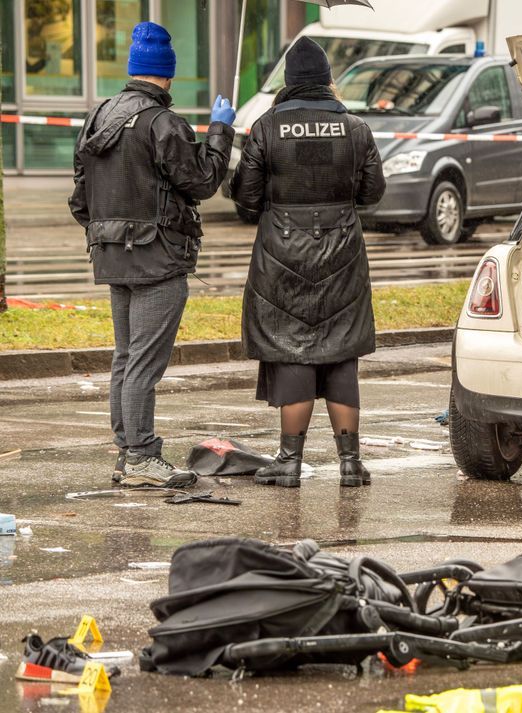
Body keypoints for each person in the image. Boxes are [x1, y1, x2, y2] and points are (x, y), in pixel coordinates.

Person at [69, 21, 236, 488]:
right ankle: (141, 456)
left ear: (133, 70)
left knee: (126, 356)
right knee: (143, 361)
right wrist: (220, 130)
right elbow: (203, 181)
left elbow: (79, 200)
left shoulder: (98, 115)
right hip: (158, 258)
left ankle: (129, 452)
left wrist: (109, 234)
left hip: (111, 254)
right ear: (167, 74)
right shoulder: (162, 122)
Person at [230, 37, 385, 489]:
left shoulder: (266, 126)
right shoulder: (356, 128)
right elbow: (373, 193)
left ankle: (288, 461)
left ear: (289, 83)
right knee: (340, 352)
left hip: (281, 253)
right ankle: (351, 463)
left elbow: (246, 196)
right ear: (327, 80)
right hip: (343, 250)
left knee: (293, 347)